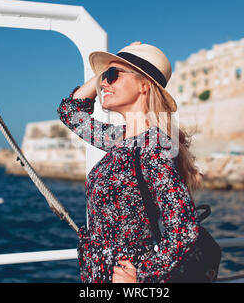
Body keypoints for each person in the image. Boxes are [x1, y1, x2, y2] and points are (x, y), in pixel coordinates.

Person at [57, 41, 203, 283]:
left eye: (113, 75)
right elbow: (70, 111)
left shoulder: (152, 146)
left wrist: (142, 277)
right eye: (105, 76)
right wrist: (105, 70)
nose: (104, 82)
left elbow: (185, 229)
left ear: (144, 85)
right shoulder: (120, 139)